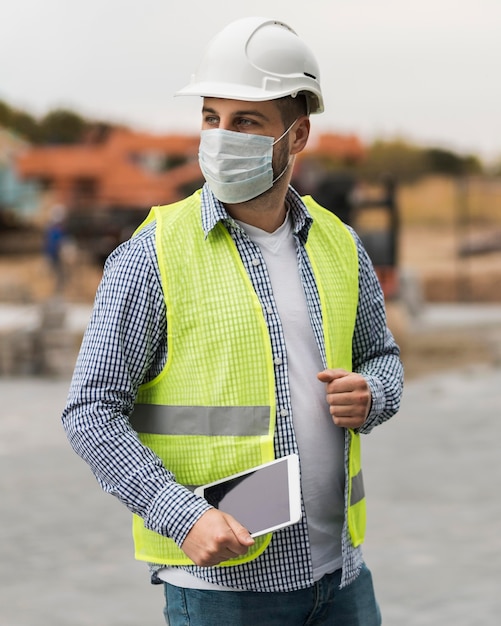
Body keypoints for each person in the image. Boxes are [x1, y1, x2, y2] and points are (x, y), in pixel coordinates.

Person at [62, 16, 404, 626]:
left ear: (297, 136)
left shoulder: (340, 245)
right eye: (211, 118)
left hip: (343, 577)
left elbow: (383, 356)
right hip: (223, 593)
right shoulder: (153, 254)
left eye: (245, 121)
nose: (221, 137)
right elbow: (90, 411)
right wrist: (181, 515)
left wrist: (374, 392)